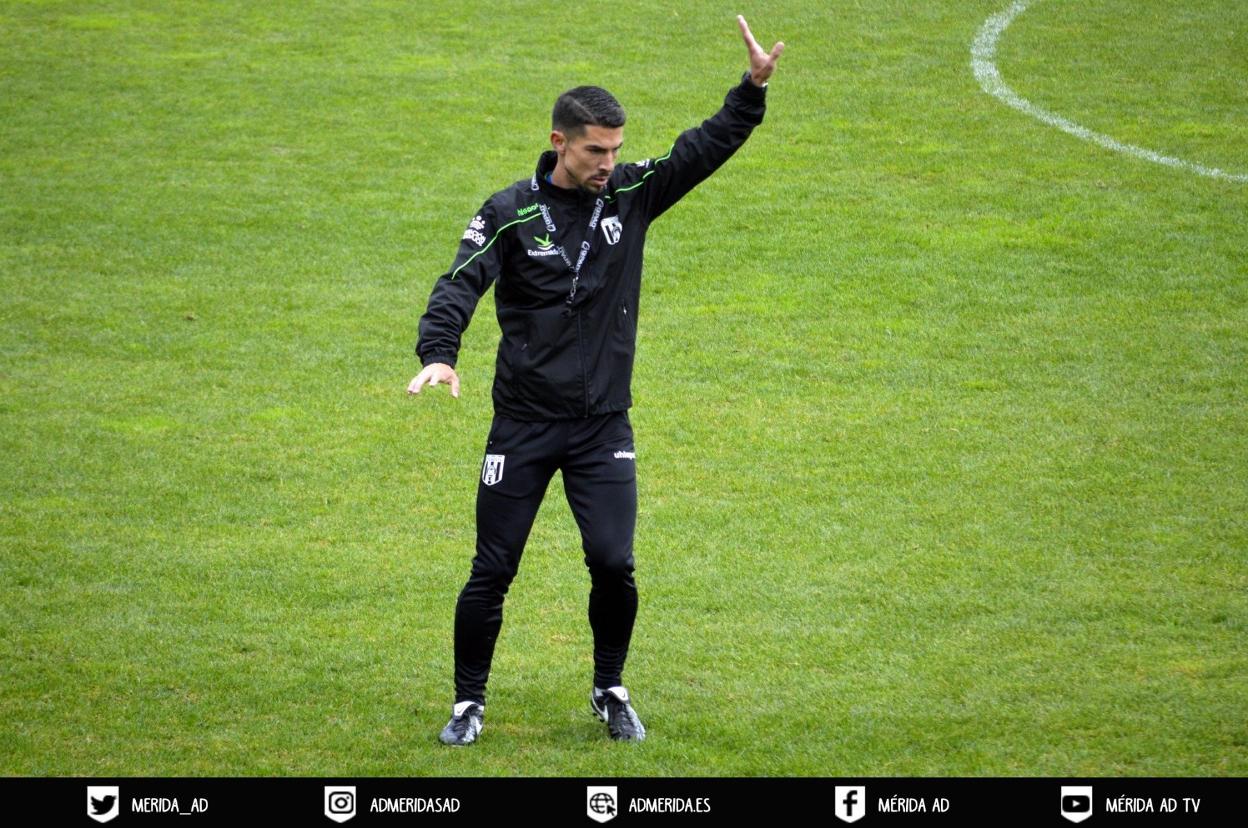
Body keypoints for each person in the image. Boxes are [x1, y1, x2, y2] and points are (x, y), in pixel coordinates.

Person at [408, 15, 784, 746]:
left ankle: (610, 688)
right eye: (595, 150)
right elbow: (458, 283)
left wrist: (751, 90)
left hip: (602, 425)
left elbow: (699, 151)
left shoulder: (631, 194)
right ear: (560, 142)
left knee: (614, 563)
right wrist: (439, 352)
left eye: (614, 148)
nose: (609, 161)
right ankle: (467, 703)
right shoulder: (509, 213)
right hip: (522, 426)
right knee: (493, 568)